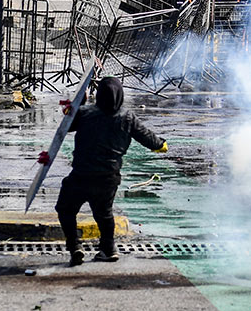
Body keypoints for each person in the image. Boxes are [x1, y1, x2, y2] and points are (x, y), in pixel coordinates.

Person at [44, 77, 167, 265]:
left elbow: (66, 127)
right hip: (109, 177)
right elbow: (148, 138)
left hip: (81, 175)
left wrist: (79, 103)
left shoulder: (85, 114)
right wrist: (161, 144)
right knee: (104, 214)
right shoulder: (128, 117)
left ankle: (74, 245)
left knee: (66, 209)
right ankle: (108, 249)